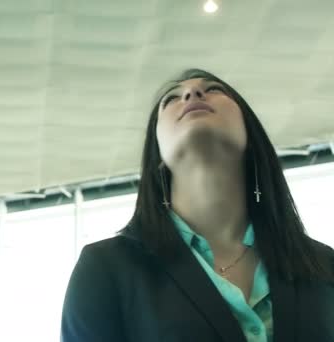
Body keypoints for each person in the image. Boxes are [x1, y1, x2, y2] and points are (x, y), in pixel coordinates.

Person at [60, 69, 334, 342]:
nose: (192, 93)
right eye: (171, 99)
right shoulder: (106, 268)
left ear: (251, 138)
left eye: (214, 89)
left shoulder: (323, 265)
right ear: (157, 156)